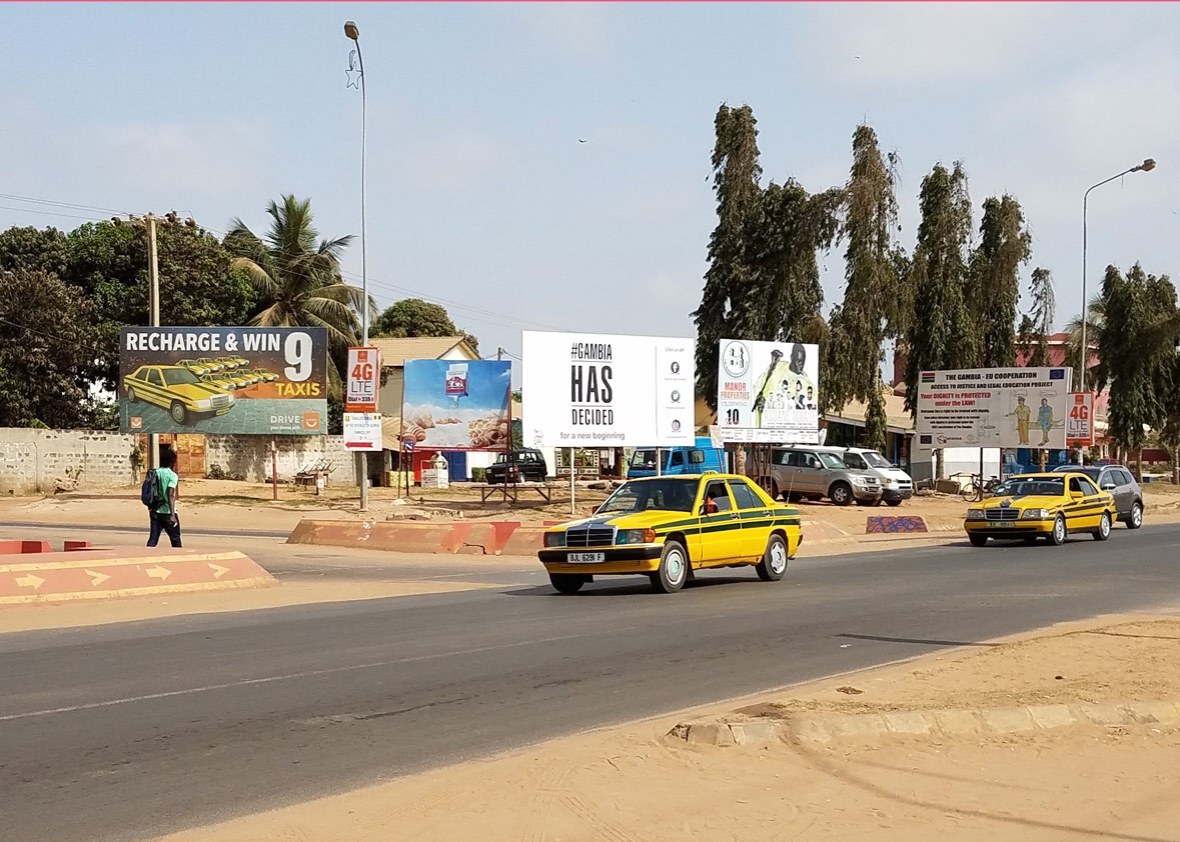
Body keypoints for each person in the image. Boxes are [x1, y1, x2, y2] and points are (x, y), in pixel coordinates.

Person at [148, 448, 182, 548]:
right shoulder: (172, 476)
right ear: (172, 461)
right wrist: (172, 515)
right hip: (167, 513)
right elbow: (170, 494)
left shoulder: (154, 473)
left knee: (152, 540)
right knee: (176, 540)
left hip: (155, 512)